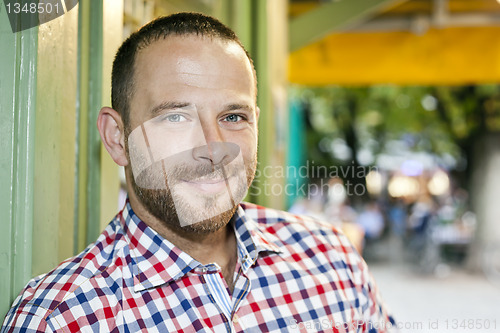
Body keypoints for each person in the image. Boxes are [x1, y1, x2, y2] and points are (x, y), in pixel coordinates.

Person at [2, 13, 395, 332]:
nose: (212, 147)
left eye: (234, 116)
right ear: (117, 138)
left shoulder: (332, 260)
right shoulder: (58, 319)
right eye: (175, 116)